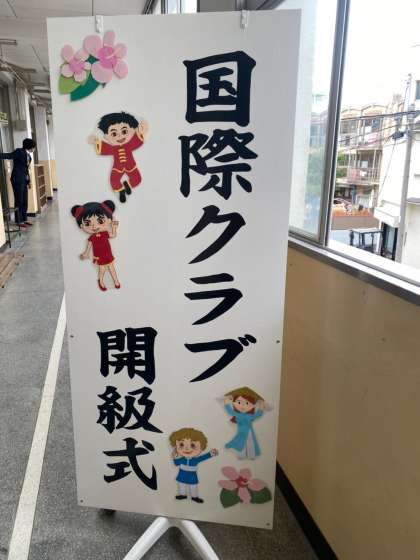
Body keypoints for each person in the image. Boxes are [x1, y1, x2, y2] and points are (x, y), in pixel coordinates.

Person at [88, 111, 148, 203]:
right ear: (106, 136)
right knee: (114, 181)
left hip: (131, 166)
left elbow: (138, 139)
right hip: (117, 168)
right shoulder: (112, 148)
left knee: (137, 179)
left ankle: (128, 185)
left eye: (124, 131)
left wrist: (141, 131)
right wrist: (96, 141)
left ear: (132, 129)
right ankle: (121, 191)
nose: (120, 136)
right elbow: (103, 147)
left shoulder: (130, 144)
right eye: (114, 134)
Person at [71, 200, 120, 292]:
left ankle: (116, 281)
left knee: (111, 267)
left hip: (108, 254)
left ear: (109, 220)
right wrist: (85, 254)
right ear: (81, 225)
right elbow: (88, 247)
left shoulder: (105, 233)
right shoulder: (92, 238)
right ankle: (101, 281)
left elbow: (113, 235)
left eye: (100, 221)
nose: (94, 226)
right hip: (99, 256)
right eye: (87, 223)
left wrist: (114, 227)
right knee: (102, 269)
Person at [169, 427, 218, 503]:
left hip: (192, 475)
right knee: (181, 484)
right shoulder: (182, 459)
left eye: (192, 445)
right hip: (182, 474)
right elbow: (176, 464)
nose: (187, 448)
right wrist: (174, 457)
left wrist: (211, 454)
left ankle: (194, 497)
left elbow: (203, 457)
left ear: (201, 447)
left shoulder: (195, 460)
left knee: (193, 486)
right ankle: (182, 495)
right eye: (181, 444)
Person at [0, 138, 36, 228]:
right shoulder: (19, 151)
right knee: (19, 200)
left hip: (24, 180)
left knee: (24, 200)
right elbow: (9, 155)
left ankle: (24, 219)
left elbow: (26, 170)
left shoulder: (29, 156)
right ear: (30, 146)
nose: (34, 149)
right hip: (17, 179)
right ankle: (19, 221)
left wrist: (29, 181)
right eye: (34, 147)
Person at [223, 386, 266, 460]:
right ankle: (242, 455)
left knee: (250, 442)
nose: (243, 405)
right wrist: (226, 400)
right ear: (234, 403)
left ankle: (251, 455)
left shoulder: (249, 416)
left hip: (249, 432)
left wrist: (261, 405)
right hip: (241, 433)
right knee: (241, 442)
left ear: (252, 405)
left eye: (247, 403)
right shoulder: (237, 414)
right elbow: (229, 410)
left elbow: (258, 414)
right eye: (239, 402)